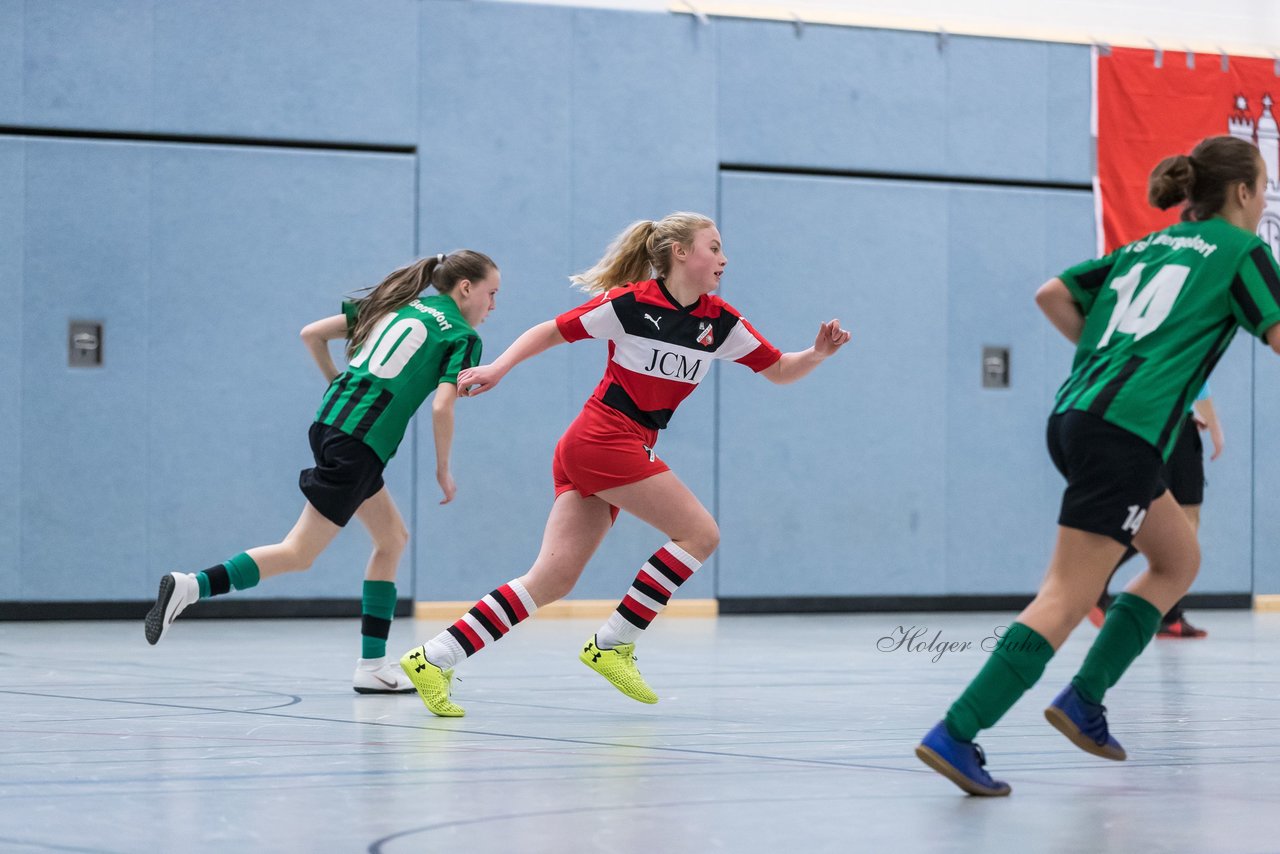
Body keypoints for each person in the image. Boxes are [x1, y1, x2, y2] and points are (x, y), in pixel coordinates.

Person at [916, 135, 1280, 796]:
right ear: (1245, 193)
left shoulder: (1143, 247)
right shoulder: (1245, 253)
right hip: (1126, 432)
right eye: (1263, 188)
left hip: (1075, 418)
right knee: (1067, 591)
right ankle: (958, 729)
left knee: (1178, 560)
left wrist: (1115, 358)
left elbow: (1053, 294)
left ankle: (1085, 699)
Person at [397, 212, 851, 717]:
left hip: (604, 445)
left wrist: (817, 353)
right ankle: (613, 645)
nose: (724, 258)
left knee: (552, 580)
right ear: (680, 252)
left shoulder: (719, 322)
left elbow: (781, 370)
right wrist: (499, 368)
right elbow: (551, 331)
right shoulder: (630, 305)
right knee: (700, 535)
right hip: (603, 437)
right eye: (714, 246)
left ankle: (434, 657)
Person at [144, 252, 500, 694]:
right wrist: (443, 469)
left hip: (330, 423)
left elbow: (311, 334)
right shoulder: (463, 337)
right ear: (465, 288)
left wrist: (337, 380)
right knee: (299, 552)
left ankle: (372, 666)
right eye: (491, 294)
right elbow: (443, 405)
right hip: (361, 443)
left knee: (391, 539)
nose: (493, 306)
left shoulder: (398, 305)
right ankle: (193, 585)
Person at [1088, 384, 1224, 638]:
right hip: (1168, 423)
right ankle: (1097, 583)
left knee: (1176, 521)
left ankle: (1168, 614)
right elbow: (1198, 378)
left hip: (1167, 420)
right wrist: (1214, 426)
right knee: (1172, 522)